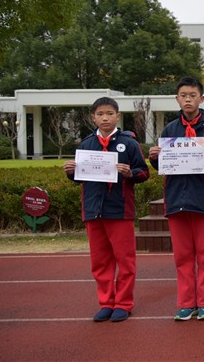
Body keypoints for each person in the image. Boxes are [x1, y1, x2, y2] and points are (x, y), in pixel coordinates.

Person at [149, 77, 204, 321]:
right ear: (177, 99)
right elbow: (162, 165)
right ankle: (186, 302)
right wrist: (155, 157)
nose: (188, 99)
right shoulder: (169, 130)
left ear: (201, 98)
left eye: (192, 95)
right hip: (177, 199)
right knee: (182, 256)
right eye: (183, 95)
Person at [63, 97, 150, 322]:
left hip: (119, 209)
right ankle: (106, 302)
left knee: (125, 260)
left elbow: (144, 172)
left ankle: (123, 303)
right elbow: (79, 177)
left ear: (117, 116)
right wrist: (70, 171)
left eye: (110, 113)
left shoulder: (129, 143)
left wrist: (130, 173)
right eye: (100, 113)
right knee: (100, 262)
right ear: (93, 117)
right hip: (93, 209)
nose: (105, 117)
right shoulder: (86, 144)